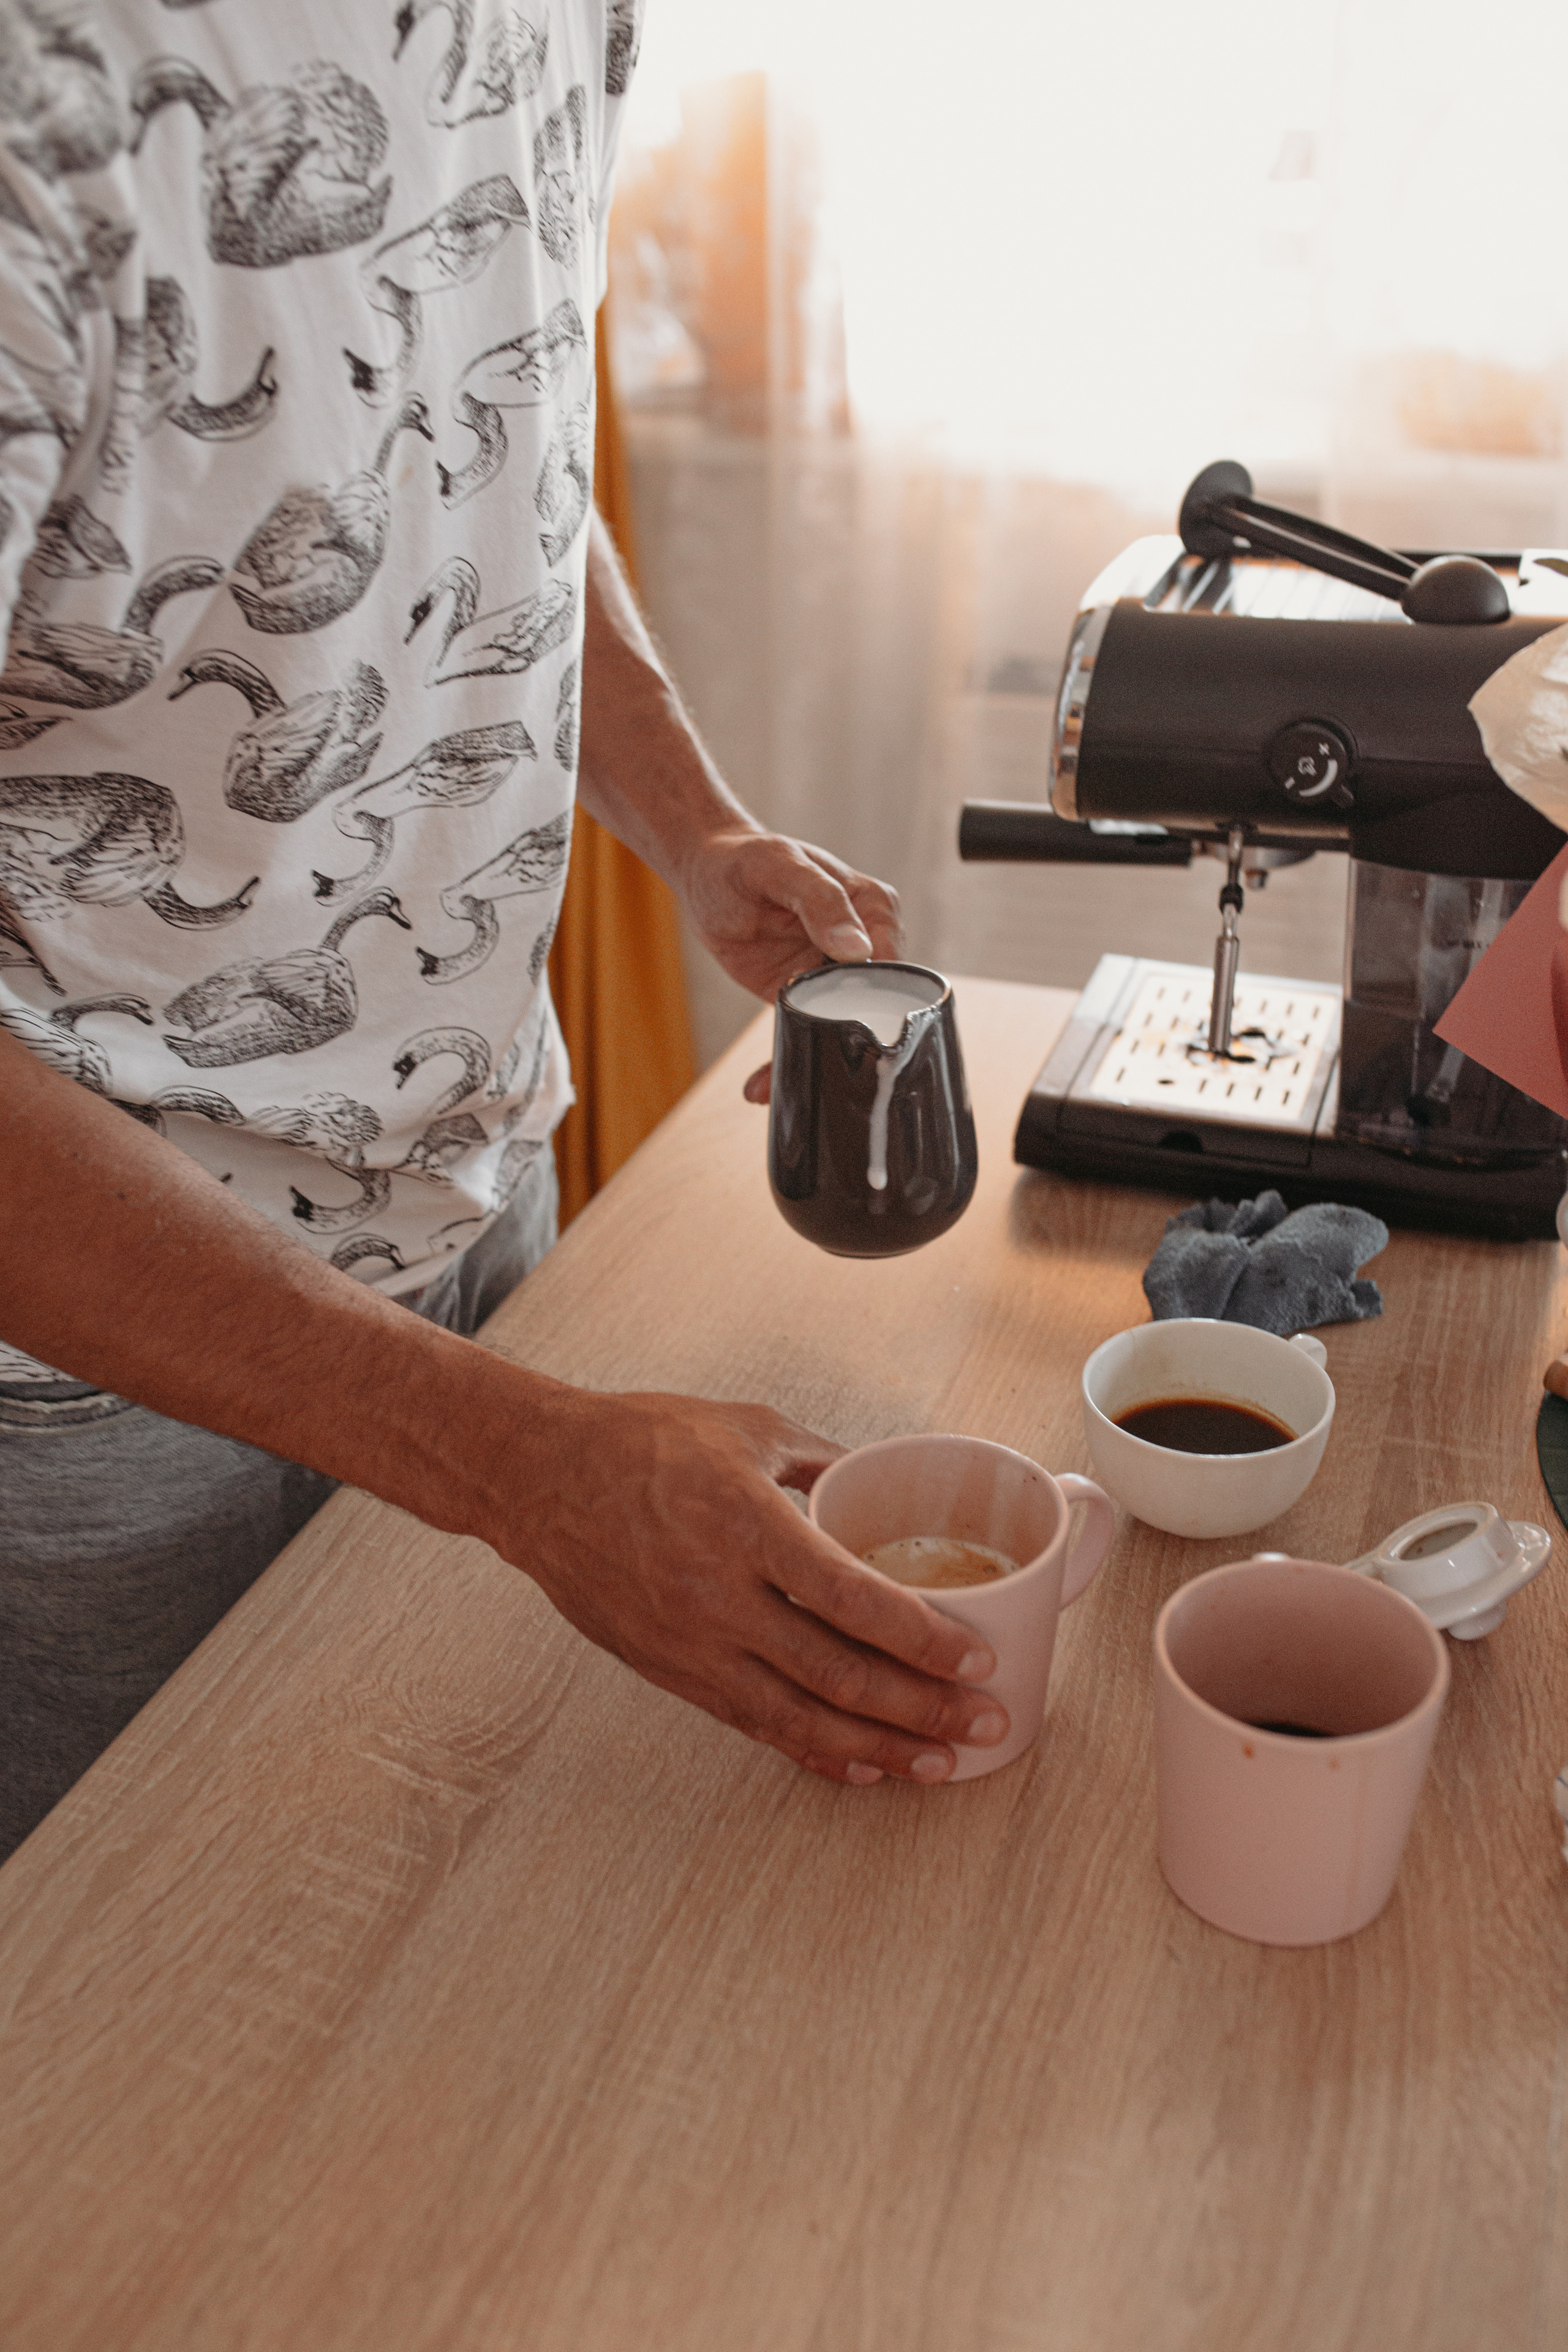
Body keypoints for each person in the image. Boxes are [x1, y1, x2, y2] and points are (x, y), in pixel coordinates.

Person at [0, 0, 1006, 1859]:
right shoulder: (50, 95)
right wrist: (515, 1463)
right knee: (125, 2058)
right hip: (88, 1408)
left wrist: (691, 820)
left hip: (485, 1210)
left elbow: (473, 438)